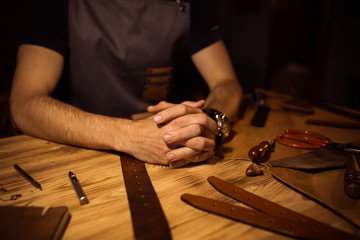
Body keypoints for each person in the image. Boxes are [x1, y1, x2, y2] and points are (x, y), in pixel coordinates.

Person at [9, 0, 242, 168]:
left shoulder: (188, 5)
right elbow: (24, 104)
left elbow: (226, 81)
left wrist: (209, 123)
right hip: (80, 145)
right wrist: (132, 136)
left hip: (163, 146)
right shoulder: (55, 5)